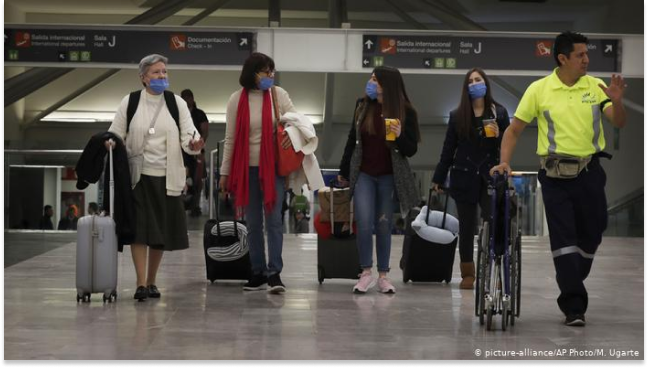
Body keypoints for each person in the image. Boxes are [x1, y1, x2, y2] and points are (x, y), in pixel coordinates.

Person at [491, 31, 627, 327]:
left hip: (590, 173)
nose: (587, 60)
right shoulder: (539, 90)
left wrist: (617, 102)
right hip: (554, 176)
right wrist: (504, 161)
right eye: (580, 55)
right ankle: (574, 306)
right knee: (564, 240)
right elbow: (513, 130)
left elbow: (618, 121)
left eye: (587, 54)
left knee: (594, 231)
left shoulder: (595, 86)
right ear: (562, 58)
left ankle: (573, 274)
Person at [106, 54, 204, 301]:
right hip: (137, 176)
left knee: (159, 231)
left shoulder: (176, 103)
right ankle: (140, 283)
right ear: (143, 78)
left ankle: (152, 281)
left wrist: (195, 143)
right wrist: (110, 143)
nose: (162, 76)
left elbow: (188, 137)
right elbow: (115, 134)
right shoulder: (129, 102)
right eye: (156, 72)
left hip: (167, 176)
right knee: (139, 230)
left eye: (164, 72)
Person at [219, 52, 298, 294]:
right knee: (253, 223)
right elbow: (230, 138)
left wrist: (286, 131)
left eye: (272, 71)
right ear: (252, 73)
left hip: (273, 167)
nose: (270, 76)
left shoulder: (278, 95)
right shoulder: (236, 100)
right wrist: (224, 172)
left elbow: (297, 123)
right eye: (266, 71)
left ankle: (275, 273)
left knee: (274, 221)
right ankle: (257, 272)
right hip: (246, 170)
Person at [338, 65, 421, 294]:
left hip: (388, 176)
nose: (371, 83)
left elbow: (410, 149)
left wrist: (400, 133)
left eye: (376, 79)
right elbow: (351, 139)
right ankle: (366, 272)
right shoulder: (362, 106)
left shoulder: (406, 111)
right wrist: (344, 171)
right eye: (371, 78)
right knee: (364, 222)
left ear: (388, 85)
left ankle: (383, 275)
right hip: (363, 173)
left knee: (384, 224)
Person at [431, 67, 510, 289]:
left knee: (491, 220)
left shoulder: (500, 113)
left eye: (479, 79)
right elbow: (448, 150)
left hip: (490, 177)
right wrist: (438, 177)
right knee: (466, 227)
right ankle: (468, 273)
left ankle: (494, 268)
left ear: (486, 83)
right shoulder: (457, 116)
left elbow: (508, 143)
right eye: (472, 81)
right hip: (463, 176)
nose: (476, 83)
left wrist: (500, 134)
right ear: (467, 87)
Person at [180, 89, 209, 217]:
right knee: (182, 177)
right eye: (184, 98)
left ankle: (195, 205)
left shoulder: (199, 114)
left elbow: (205, 131)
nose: (186, 100)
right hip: (182, 151)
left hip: (197, 151)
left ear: (192, 98)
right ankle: (182, 204)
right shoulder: (179, 114)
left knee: (198, 179)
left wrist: (199, 148)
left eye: (188, 98)